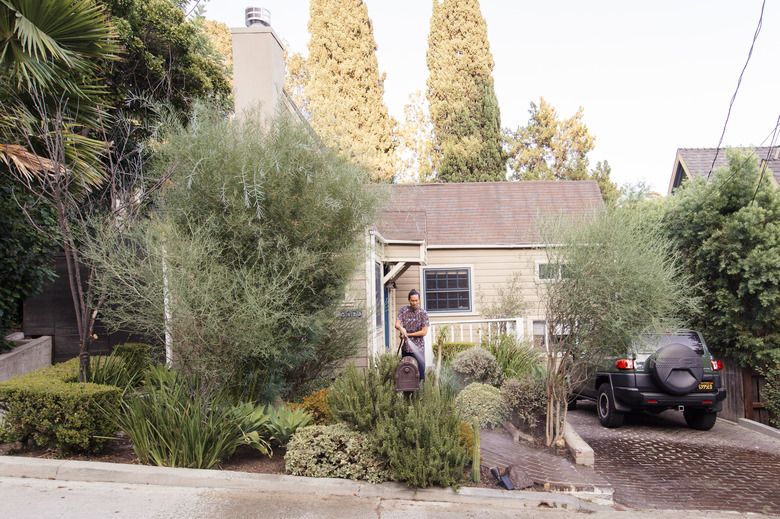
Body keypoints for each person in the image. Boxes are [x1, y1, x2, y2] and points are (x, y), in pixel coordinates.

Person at [395, 289, 429, 382]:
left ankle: (421, 392)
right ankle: (407, 393)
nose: (414, 303)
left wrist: (407, 334)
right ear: (409, 300)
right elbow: (397, 324)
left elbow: (424, 332)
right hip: (406, 348)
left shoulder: (423, 313)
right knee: (405, 372)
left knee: (420, 373)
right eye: (412, 300)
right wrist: (402, 329)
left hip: (419, 348)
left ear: (419, 300)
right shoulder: (403, 310)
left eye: (416, 300)